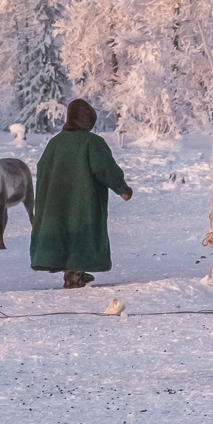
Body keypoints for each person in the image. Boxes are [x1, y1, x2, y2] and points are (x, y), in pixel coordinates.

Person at [31, 99, 134, 289]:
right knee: (82, 232)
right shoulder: (91, 142)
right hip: (83, 203)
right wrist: (123, 190)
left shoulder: (54, 143)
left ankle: (73, 271)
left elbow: (42, 168)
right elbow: (106, 169)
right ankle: (74, 275)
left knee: (64, 234)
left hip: (56, 204)